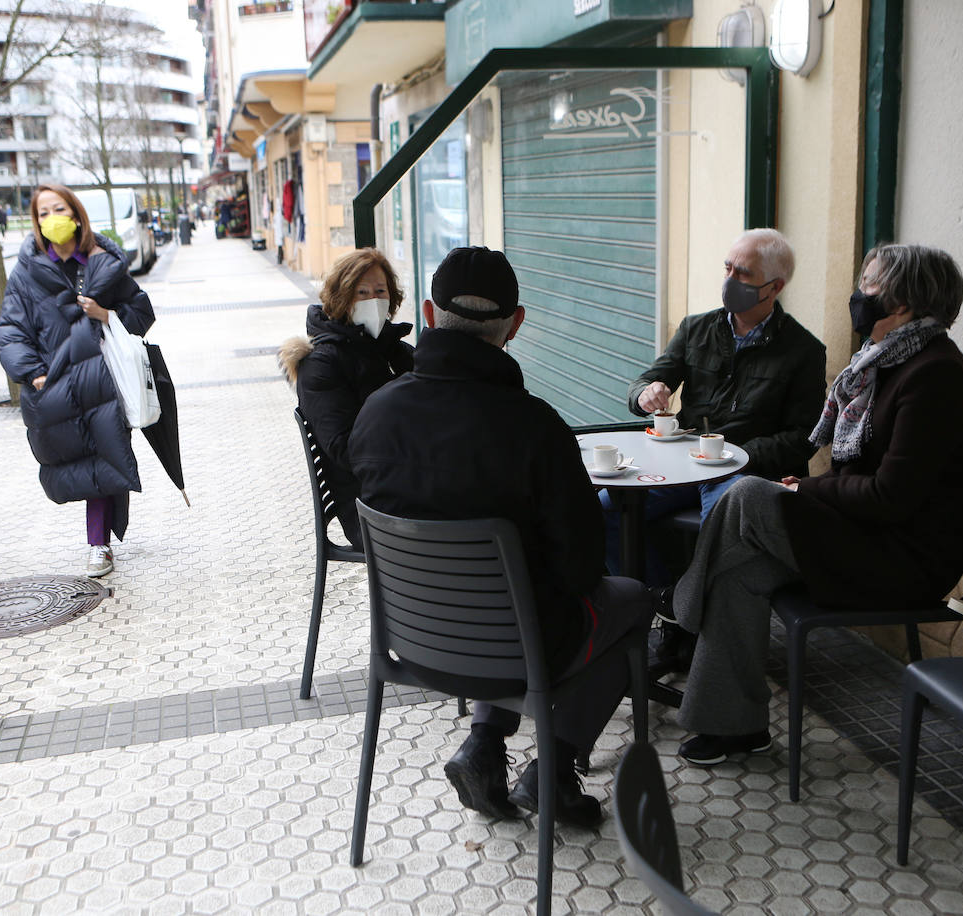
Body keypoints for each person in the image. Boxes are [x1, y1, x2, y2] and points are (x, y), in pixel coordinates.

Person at [348, 247, 654, 828]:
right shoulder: (537, 429)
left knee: (527, 605)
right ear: (514, 326)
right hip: (521, 652)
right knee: (632, 601)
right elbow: (583, 566)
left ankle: (484, 743)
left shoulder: (376, 414)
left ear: (432, 317)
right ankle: (554, 772)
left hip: (413, 644)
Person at [663, 243, 963, 768]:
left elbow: (890, 496)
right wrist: (808, 491)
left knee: (746, 492)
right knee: (739, 569)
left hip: (902, 559)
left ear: (902, 304)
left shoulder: (936, 376)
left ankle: (681, 607)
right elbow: (860, 479)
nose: (857, 294)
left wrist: (804, 490)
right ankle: (735, 727)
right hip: (861, 532)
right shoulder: (885, 362)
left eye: (870, 284)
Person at [615, 228, 827, 583]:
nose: (730, 280)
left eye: (743, 274)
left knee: (723, 537)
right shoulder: (696, 329)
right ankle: (663, 599)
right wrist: (645, 393)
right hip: (684, 465)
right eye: (727, 268)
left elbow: (805, 436)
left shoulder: (803, 351)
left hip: (745, 475)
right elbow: (644, 383)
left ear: (775, 287)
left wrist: (734, 454)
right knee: (607, 511)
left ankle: (695, 618)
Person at [0, 183, 155, 577]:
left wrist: (105, 314)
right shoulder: (27, 272)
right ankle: (103, 537)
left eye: (59, 209)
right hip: (56, 383)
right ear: (35, 222)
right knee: (79, 461)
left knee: (107, 454)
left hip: (104, 381)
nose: (53, 219)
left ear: (76, 213)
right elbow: (11, 330)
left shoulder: (102, 263)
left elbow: (141, 311)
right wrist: (33, 374)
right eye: (43, 213)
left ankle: (97, 544)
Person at [278, 248, 413, 546]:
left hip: (405, 484)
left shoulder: (388, 347)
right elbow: (346, 449)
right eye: (361, 292)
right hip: (370, 508)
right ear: (342, 297)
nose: (373, 301)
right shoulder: (321, 364)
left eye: (380, 291)